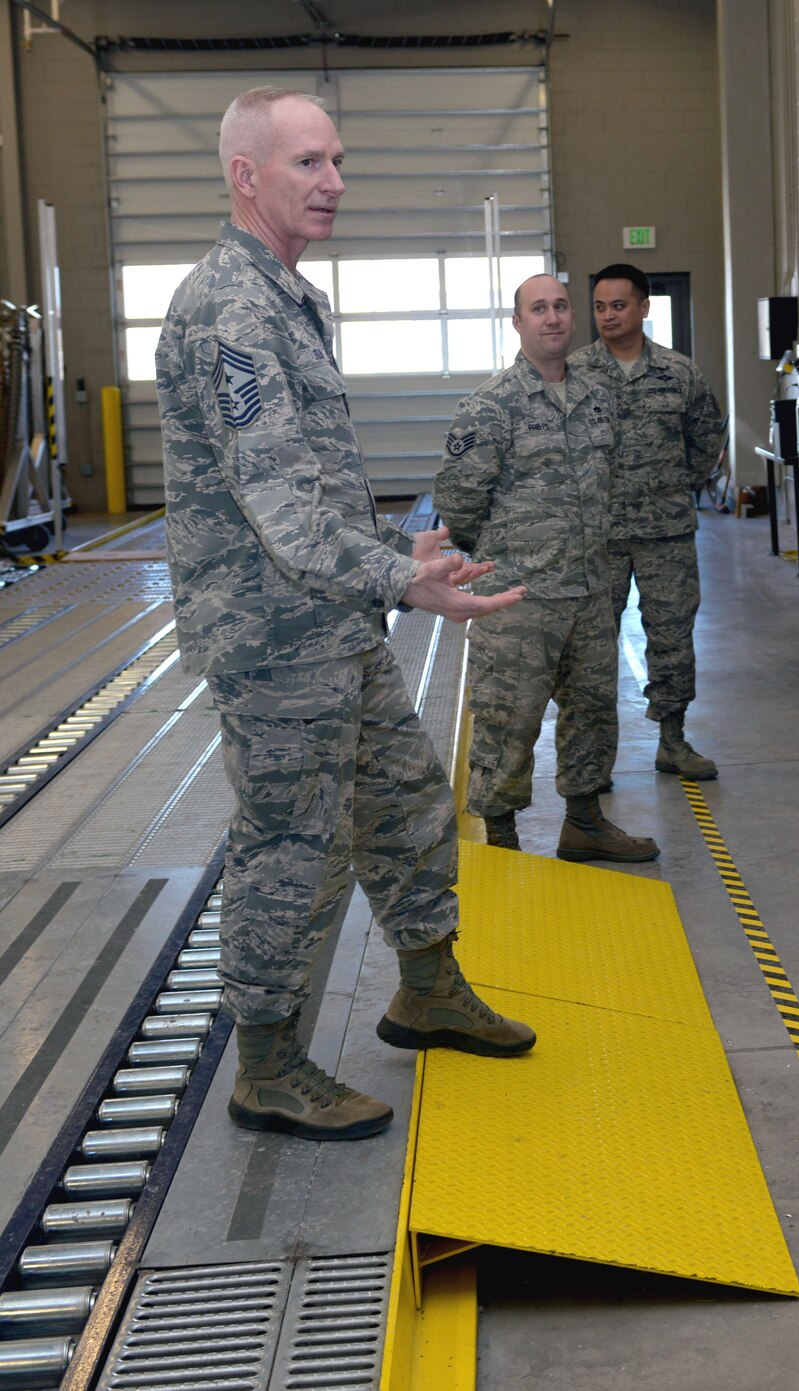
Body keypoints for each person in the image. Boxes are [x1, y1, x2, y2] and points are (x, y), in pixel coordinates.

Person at [158, 87, 534, 1143]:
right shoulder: (229, 307)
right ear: (246, 175)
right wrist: (401, 582)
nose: (333, 182)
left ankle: (426, 988)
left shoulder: (285, 293)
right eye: (308, 164)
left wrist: (386, 555)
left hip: (328, 619)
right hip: (272, 637)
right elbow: (276, 503)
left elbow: (309, 487)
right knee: (291, 843)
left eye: (336, 161)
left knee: (407, 800)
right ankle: (268, 1065)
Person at [436, 275, 657, 865]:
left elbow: (607, 482)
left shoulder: (598, 397)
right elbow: (458, 501)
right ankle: (502, 840)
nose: (553, 318)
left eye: (561, 306)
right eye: (539, 309)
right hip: (518, 598)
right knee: (509, 722)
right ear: (518, 323)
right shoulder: (491, 405)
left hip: (589, 589)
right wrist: (506, 558)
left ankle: (584, 823)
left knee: (592, 712)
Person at [567, 263, 728, 781]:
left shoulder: (679, 372)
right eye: (599, 306)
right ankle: (592, 760)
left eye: (618, 305)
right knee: (591, 646)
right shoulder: (574, 374)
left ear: (643, 307)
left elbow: (707, 436)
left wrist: (677, 486)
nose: (608, 315)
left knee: (672, 637)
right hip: (599, 537)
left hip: (667, 534)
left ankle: (673, 740)